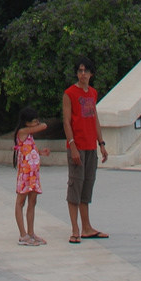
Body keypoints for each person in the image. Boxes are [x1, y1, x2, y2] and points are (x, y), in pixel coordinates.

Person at [62, 57, 108, 242]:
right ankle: (75, 229)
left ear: (91, 74)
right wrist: (72, 146)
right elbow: (66, 121)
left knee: (87, 187)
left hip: (91, 146)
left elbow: (94, 118)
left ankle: (87, 227)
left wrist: (101, 143)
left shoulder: (93, 93)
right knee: (75, 186)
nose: (83, 74)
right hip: (78, 146)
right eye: (80, 71)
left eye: (86, 71)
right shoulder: (69, 93)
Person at [12, 104, 53, 245]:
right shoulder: (22, 132)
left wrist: (40, 152)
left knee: (32, 202)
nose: (37, 122)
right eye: (34, 120)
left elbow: (28, 150)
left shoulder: (29, 135)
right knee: (20, 202)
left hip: (33, 174)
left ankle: (30, 232)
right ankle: (23, 235)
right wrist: (39, 124)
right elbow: (44, 126)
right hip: (25, 175)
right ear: (27, 122)